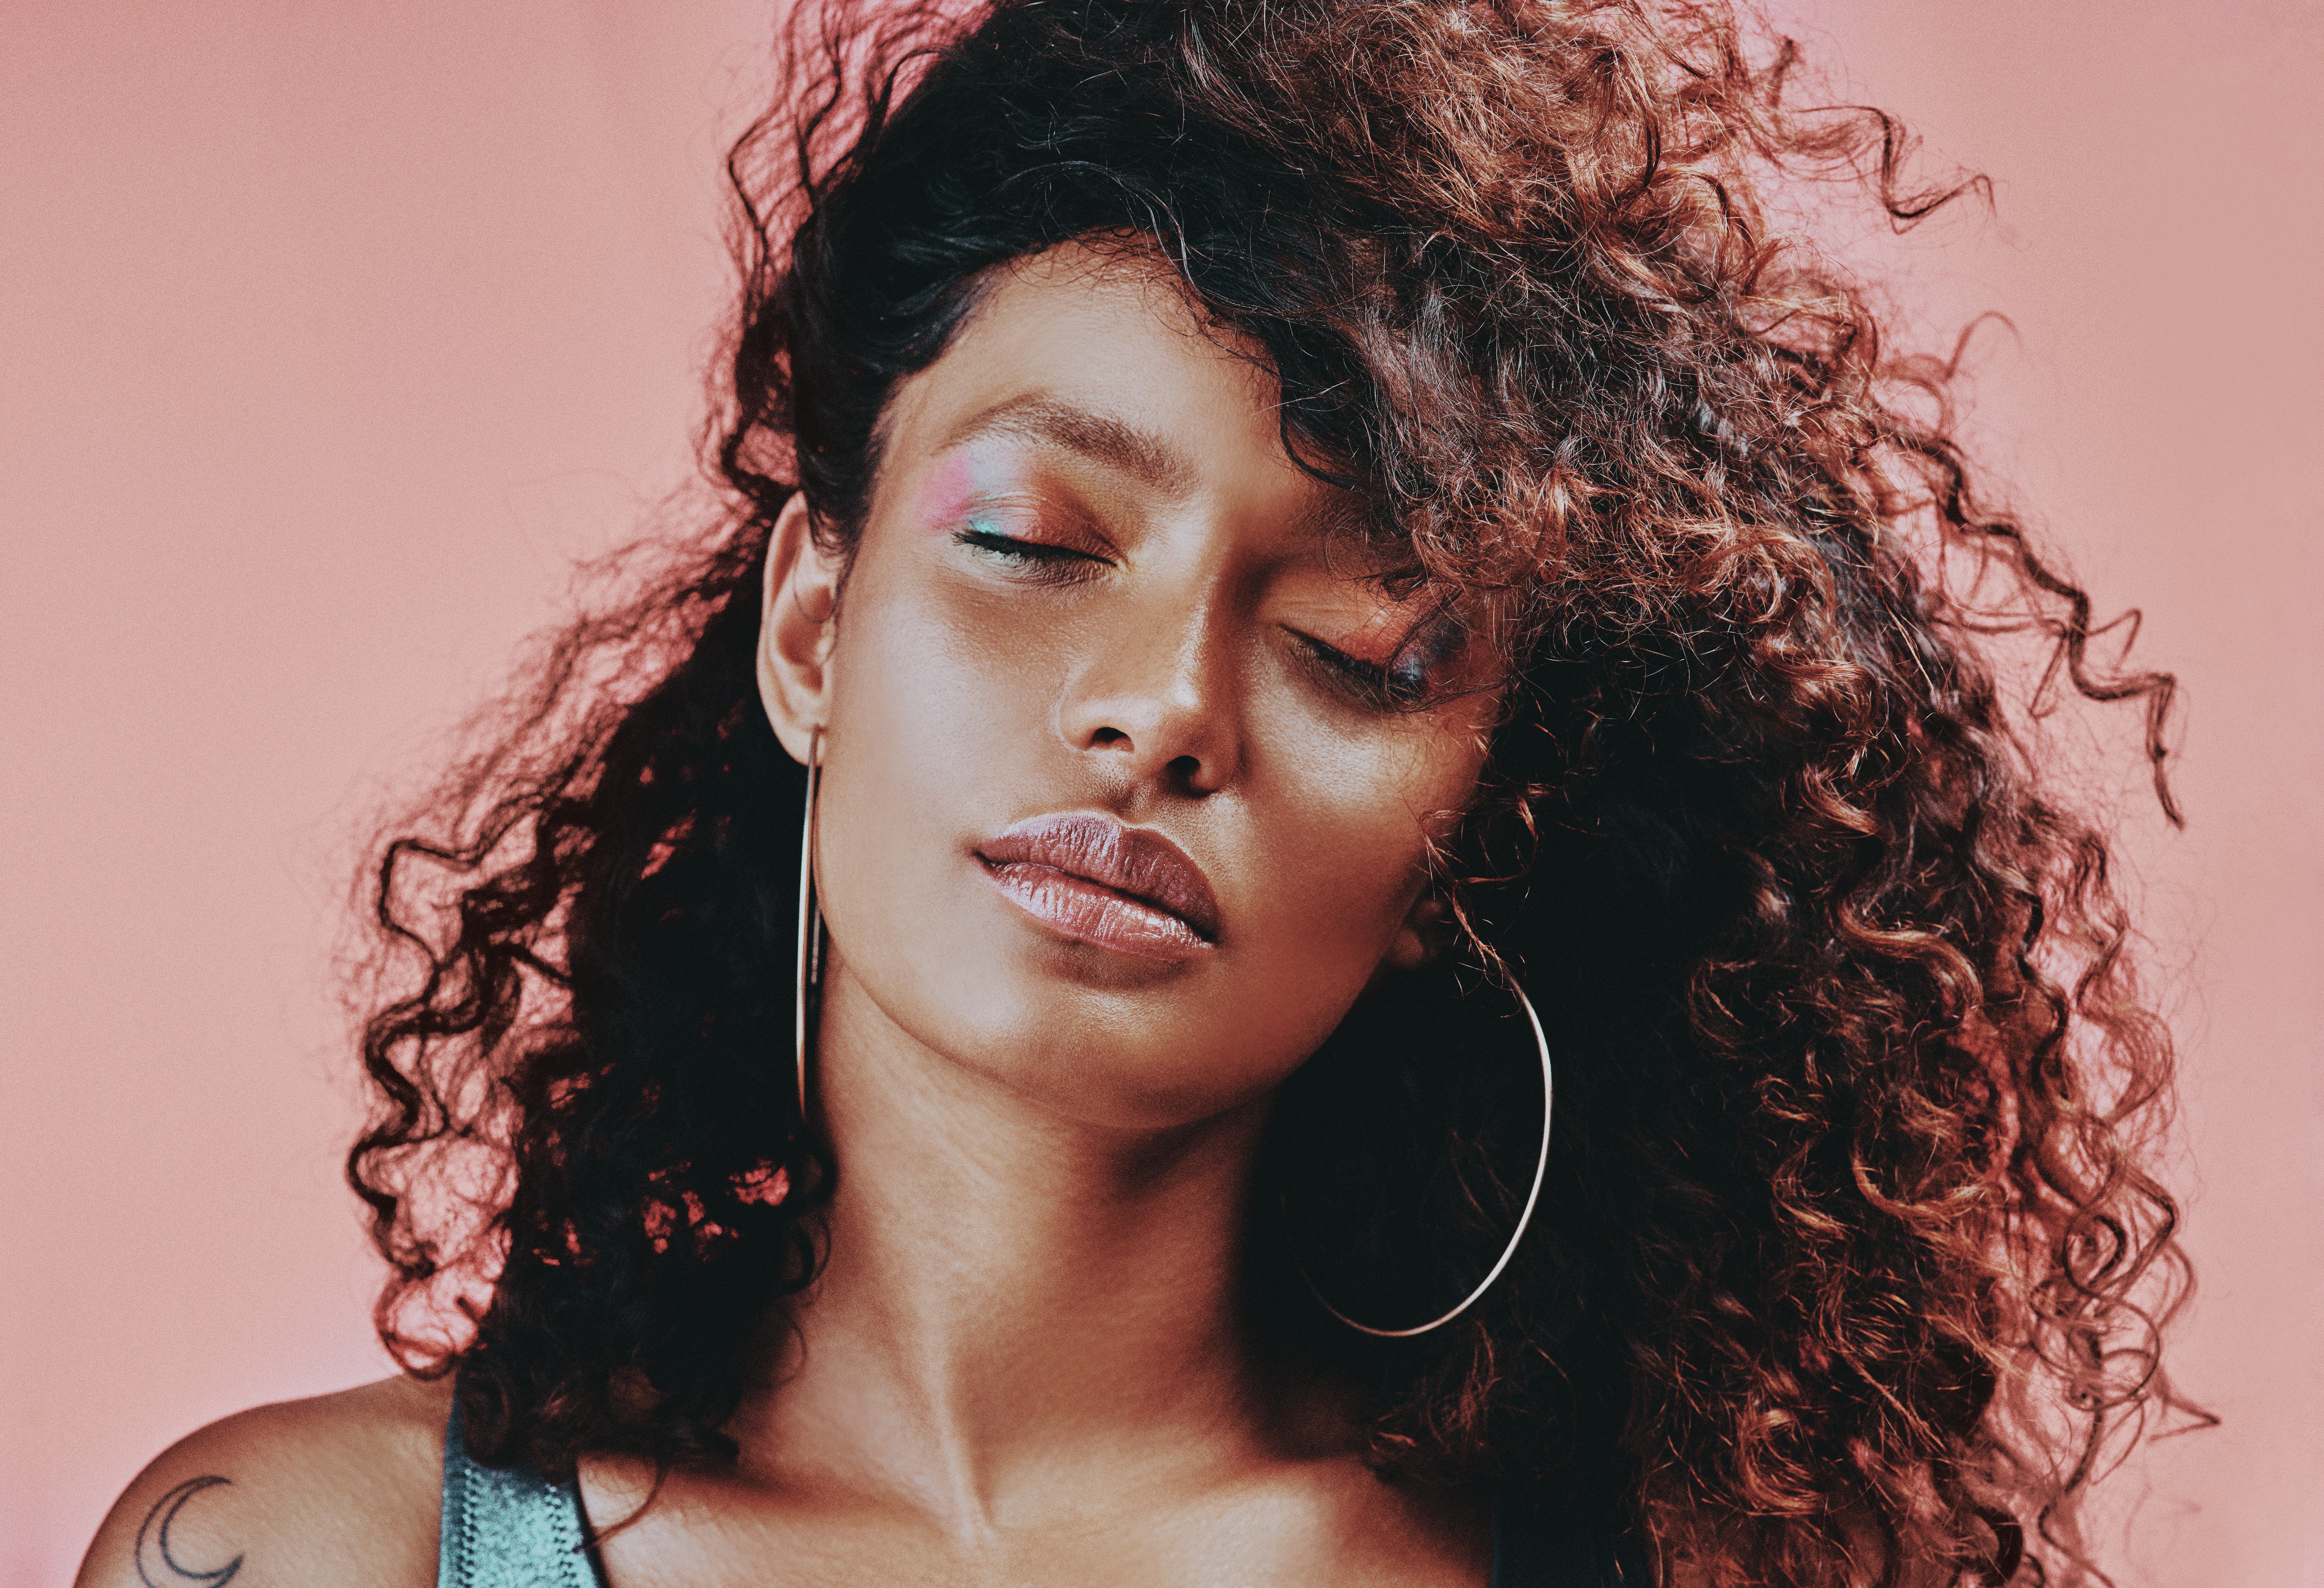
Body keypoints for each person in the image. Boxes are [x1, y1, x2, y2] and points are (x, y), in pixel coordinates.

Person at [76, 0, 2197, 1583]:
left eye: (1363, 647)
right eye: (1034, 544)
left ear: (1477, 828)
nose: (1163, 712)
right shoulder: (311, 1550)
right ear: (811, 630)